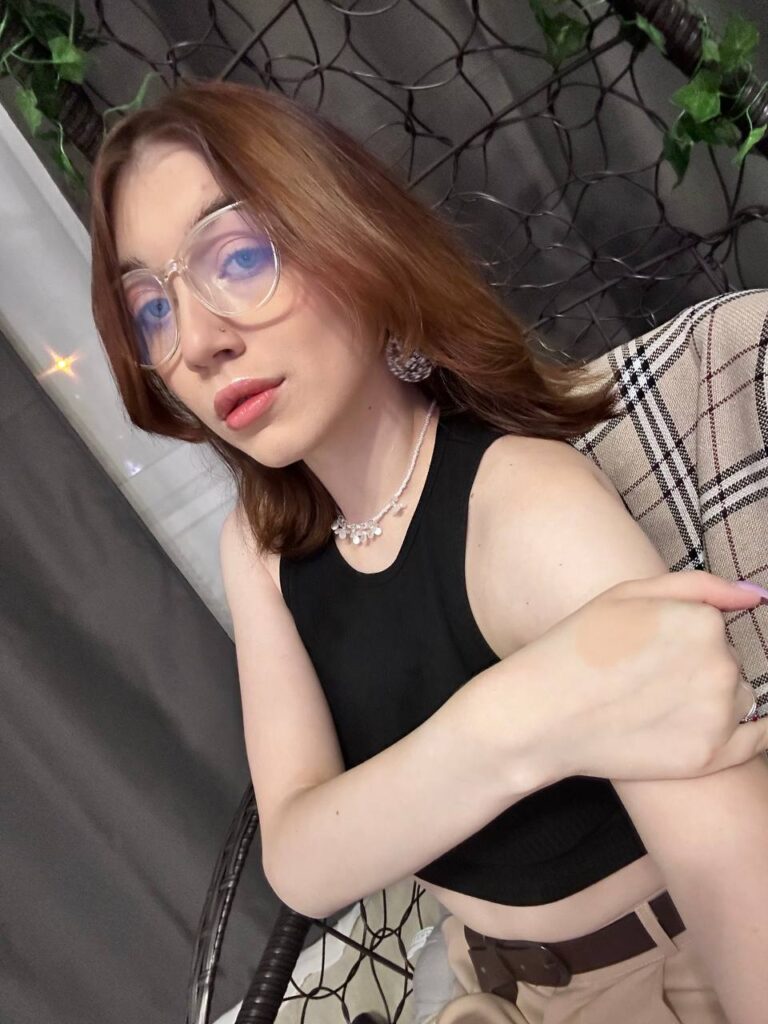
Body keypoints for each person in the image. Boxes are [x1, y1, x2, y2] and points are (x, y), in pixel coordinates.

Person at [88, 81, 768, 1024]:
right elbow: (301, 859)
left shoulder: (526, 509)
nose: (196, 342)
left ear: (354, 237)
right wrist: (523, 717)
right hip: (479, 981)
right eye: (150, 310)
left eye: (237, 256)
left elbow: (742, 893)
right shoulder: (262, 547)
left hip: (661, 977)